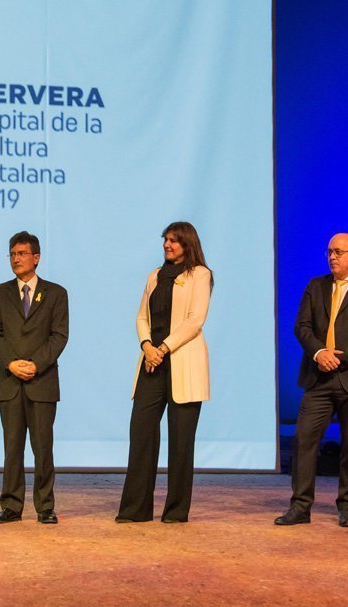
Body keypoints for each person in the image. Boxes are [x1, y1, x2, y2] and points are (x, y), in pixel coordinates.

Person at [275, 233, 348, 528]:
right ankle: (300, 506)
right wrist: (319, 352)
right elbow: (302, 326)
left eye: (338, 252)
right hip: (318, 376)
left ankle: (347, 508)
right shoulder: (316, 285)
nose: (332, 257)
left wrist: (339, 356)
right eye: (329, 252)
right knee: (303, 440)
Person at [116, 222, 213, 523]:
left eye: (174, 240)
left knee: (181, 441)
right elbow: (141, 316)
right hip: (151, 362)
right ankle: (136, 510)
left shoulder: (200, 275)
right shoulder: (154, 276)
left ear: (188, 244)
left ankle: (175, 511)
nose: (167, 245)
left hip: (181, 361)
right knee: (141, 432)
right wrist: (147, 345)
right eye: (165, 240)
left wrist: (163, 348)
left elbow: (195, 320)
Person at [0, 231, 68, 524]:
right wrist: (10, 363)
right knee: (12, 447)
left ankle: (45, 507)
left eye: (21, 253)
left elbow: (59, 336)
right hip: (9, 382)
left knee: (43, 447)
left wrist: (35, 364)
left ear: (36, 257)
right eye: (12, 254)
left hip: (41, 381)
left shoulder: (56, 293)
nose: (16, 259)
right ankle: (11, 506)